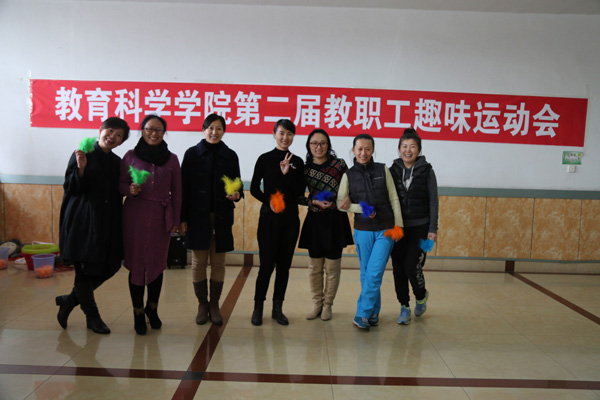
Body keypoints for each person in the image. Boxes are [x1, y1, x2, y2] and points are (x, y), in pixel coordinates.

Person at [56, 117, 130, 334]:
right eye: (110, 131)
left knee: (111, 265)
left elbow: (118, 192)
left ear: (121, 141)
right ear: (100, 130)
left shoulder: (117, 162)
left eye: (119, 135)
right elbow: (70, 188)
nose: (113, 137)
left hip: (107, 222)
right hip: (82, 220)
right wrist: (81, 170)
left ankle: (69, 301)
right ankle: (92, 316)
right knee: (84, 269)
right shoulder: (82, 153)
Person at [120, 115, 182, 335]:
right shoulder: (130, 156)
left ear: (164, 133)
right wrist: (129, 190)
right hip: (134, 215)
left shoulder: (172, 159)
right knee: (137, 264)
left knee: (157, 264)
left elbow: (178, 192)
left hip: (160, 216)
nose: (153, 133)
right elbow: (120, 184)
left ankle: (152, 309)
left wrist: (176, 220)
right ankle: (138, 312)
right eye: (149, 129)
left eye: (158, 130)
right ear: (142, 130)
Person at [180, 113, 243, 326]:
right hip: (197, 216)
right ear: (203, 130)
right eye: (210, 128)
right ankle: (202, 304)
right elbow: (183, 188)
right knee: (198, 262)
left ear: (223, 131)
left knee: (218, 262)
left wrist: (237, 194)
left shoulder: (230, 155)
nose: (214, 132)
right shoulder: (192, 154)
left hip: (221, 216)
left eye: (219, 128)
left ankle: (214, 304)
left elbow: (236, 183)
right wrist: (182, 218)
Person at [337, 133, 403, 331]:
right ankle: (374, 313)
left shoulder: (383, 169)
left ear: (373, 150)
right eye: (359, 149)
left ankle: (362, 313)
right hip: (363, 230)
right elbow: (341, 204)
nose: (363, 153)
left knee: (374, 272)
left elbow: (393, 198)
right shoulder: (348, 175)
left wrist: (399, 225)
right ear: (354, 150)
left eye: (367, 149)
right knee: (367, 273)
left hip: (386, 229)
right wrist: (362, 208)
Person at [250, 119, 305, 326]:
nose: (285, 137)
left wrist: (286, 174)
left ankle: (277, 309)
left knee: (284, 267)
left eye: (289, 134)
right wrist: (269, 201)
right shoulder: (264, 159)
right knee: (266, 266)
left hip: (290, 220)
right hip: (269, 219)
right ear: (274, 134)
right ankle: (258, 308)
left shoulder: (297, 161)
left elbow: (298, 192)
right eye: (281, 133)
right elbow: (254, 188)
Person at [298, 129, 353, 321]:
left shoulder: (339, 165)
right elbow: (298, 197)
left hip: (336, 221)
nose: (318, 147)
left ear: (328, 145)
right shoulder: (304, 169)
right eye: (314, 143)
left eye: (322, 143)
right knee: (315, 268)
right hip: (315, 221)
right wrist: (313, 201)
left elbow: (352, 187)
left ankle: (328, 304)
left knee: (332, 268)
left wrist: (348, 198)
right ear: (309, 146)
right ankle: (316, 304)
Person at [389, 128, 438, 325]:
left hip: (422, 228)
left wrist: (433, 229)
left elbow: (433, 201)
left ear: (419, 150)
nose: (408, 150)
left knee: (412, 266)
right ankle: (404, 306)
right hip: (398, 228)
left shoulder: (427, 171)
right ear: (399, 148)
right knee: (398, 269)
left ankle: (421, 295)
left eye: (412, 147)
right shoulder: (392, 170)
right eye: (404, 146)